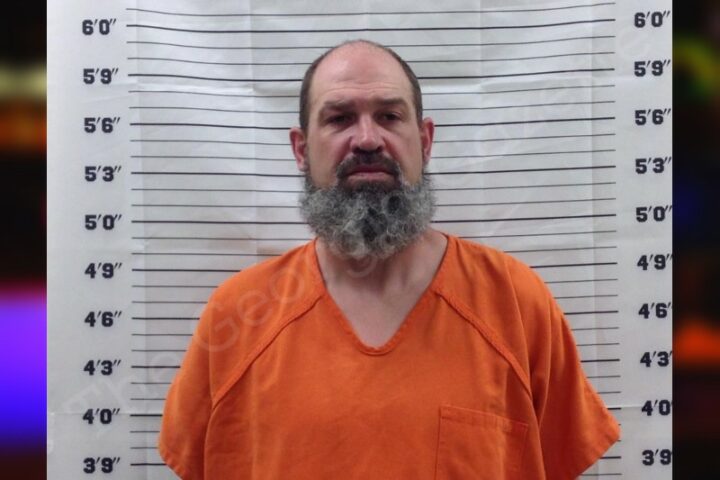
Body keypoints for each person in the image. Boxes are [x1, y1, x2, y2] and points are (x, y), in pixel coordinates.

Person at [158, 39, 620, 479]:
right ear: (301, 149)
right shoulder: (237, 316)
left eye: (389, 116)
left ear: (425, 140)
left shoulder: (517, 305)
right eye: (339, 118)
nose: (366, 139)